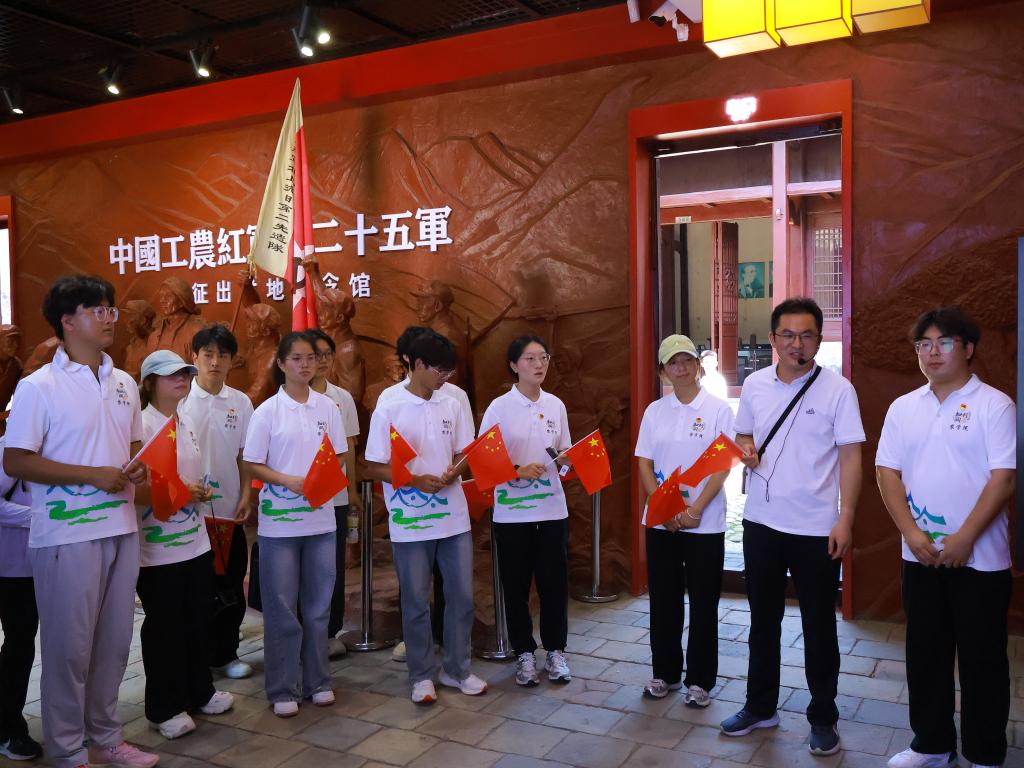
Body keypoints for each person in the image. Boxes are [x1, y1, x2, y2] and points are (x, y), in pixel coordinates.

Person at [3, 275, 157, 768]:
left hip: (122, 528)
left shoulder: (124, 382)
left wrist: (138, 467)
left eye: (111, 309)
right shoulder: (38, 387)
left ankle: (105, 739)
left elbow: (134, 449)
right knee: (69, 649)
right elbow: (17, 461)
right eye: (98, 310)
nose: (110, 318)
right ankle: (68, 748)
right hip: (66, 534)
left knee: (113, 644)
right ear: (68, 321)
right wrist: (91, 475)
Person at [720, 297, 864, 758]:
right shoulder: (755, 384)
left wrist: (845, 516)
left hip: (816, 527)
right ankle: (760, 706)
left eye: (806, 335)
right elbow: (743, 433)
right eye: (788, 334)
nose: (796, 343)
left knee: (819, 625)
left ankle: (823, 716)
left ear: (819, 340)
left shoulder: (838, 390)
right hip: (762, 522)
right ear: (772, 338)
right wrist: (746, 448)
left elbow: (851, 457)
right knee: (762, 621)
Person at [877, 308, 1015, 768]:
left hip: (981, 560)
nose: (933, 352)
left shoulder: (994, 405)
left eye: (945, 342)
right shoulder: (903, 407)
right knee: (925, 654)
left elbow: (1003, 479)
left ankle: (984, 753)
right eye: (924, 344)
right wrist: (911, 534)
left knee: (983, 660)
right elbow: (886, 472)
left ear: (968, 348)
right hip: (920, 555)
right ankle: (932, 745)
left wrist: (965, 538)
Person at [364, 328, 485, 704]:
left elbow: (466, 451)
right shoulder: (389, 403)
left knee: (461, 596)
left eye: (449, 371)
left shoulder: (453, 401)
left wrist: (454, 470)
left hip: (453, 516)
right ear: (416, 364)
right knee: (416, 599)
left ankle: (457, 669)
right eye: (439, 370)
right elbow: (373, 465)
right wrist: (415, 480)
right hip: (409, 518)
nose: (444, 378)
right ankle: (421, 675)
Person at [242, 331, 344, 717]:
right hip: (280, 526)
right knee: (282, 608)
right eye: (297, 358)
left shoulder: (327, 407)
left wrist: (323, 479)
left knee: (318, 608)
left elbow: (339, 457)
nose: (305, 364)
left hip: (321, 521)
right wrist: (287, 480)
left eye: (311, 358)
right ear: (282, 364)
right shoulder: (267, 411)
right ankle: (283, 687)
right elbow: (252, 462)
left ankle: (319, 681)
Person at [134, 350, 234, 739]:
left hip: (193, 540)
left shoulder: (184, 420)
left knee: (197, 617)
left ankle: (198, 691)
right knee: (165, 626)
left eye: (184, 373)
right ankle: (164, 707)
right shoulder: (141, 425)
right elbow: (136, 488)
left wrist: (198, 491)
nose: (182, 379)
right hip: (157, 547)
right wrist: (181, 492)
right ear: (149, 382)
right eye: (171, 374)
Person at [635, 334, 732, 704]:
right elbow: (644, 462)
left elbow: (723, 465)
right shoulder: (655, 411)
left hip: (704, 522)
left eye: (687, 360)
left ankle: (700, 681)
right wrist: (663, 507)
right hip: (662, 522)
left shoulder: (718, 410)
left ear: (698, 366)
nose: (681, 368)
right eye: (673, 363)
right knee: (664, 599)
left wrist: (694, 510)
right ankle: (665, 674)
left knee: (704, 601)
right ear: (663, 371)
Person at [480, 335, 572, 687]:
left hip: (552, 511)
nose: (539, 364)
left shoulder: (556, 405)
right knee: (516, 586)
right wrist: (516, 470)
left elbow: (564, 455)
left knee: (554, 585)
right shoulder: (499, 408)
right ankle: (524, 654)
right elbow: (484, 460)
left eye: (543, 357)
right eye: (530, 358)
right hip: (512, 514)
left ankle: (556, 651)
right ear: (513, 365)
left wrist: (566, 461)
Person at [180, 324, 255, 680]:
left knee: (231, 583)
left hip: (228, 512)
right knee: (195, 587)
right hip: (187, 511)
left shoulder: (240, 402)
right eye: (208, 354)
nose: (215, 362)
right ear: (193, 357)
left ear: (231, 361)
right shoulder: (180, 400)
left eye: (222, 356)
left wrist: (246, 495)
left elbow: (245, 456)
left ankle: (226, 654)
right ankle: (195, 659)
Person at [307, 328, 361, 658]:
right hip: (301, 496)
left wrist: (351, 490)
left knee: (333, 565)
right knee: (305, 565)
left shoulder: (342, 398)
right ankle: (304, 630)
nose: (323, 361)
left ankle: (330, 631)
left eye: (328, 354)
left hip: (336, 496)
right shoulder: (289, 399)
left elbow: (350, 446)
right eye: (316, 355)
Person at [0, 430, 42, 761]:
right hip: (10, 568)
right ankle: (8, 729)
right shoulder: (7, 449)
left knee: (23, 644)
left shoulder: (52, 449)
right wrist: (40, 517)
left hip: (38, 564)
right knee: (18, 645)